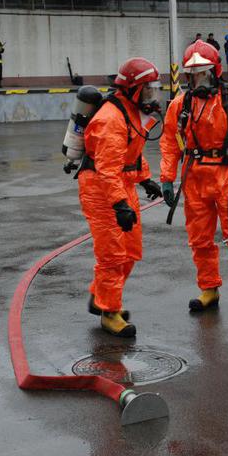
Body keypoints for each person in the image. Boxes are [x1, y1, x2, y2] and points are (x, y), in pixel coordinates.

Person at [160, 41, 228, 318]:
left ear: (215, 71)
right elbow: (170, 144)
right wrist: (166, 179)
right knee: (199, 239)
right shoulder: (180, 105)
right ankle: (209, 288)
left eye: (203, 73)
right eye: (193, 75)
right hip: (195, 178)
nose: (198, 80)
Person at [77, 57, 163, 337]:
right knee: (113, 255)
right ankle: (109, 312)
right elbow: (107, 168)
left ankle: (100, 298)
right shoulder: (110, 118)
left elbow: (133, 152)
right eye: (148, 89)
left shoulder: (132, 112)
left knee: (131, 251)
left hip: (120, 185)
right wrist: (119, 204)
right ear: (135, 89)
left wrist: (145, 178)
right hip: (101, 189)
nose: (153, 94)